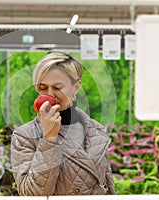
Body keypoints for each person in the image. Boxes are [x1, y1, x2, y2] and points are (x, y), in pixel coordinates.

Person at [11, 52, 116, 196]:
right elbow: (32, 194)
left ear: (76, 86)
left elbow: (107, 186)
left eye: (57, 87)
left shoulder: (95, 130)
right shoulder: (24, 136)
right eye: (43, 88)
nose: (50, 95)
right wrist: (48, 138)